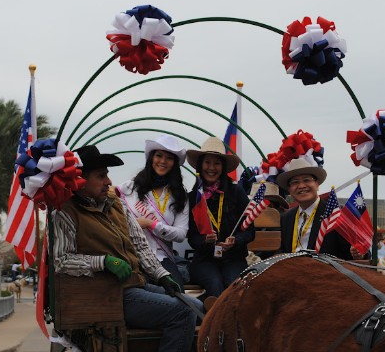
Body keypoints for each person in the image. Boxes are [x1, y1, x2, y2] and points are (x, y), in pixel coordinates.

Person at [52, 145, 202, 352]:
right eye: (101, 176)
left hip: (132, 283)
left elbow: (140, 246)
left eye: (107, 175)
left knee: (198, 307)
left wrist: (161, 275)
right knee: (183, 313)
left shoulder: (117, 205)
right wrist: (103, 262)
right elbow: (62, 260)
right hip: (105, 293)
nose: (109, 182)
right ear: (81, 181)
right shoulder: (65, 213)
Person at [116, 135, 189, 291]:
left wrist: (151, 224)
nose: (163, 161)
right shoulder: (130, 188)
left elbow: (181, 234)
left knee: (178, 295)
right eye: (159, 155)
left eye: (169, 158)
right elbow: (107, 197)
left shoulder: (180, 195)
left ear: (175, 163)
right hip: (132, 256)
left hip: (163, 259)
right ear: (151, 158)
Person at [186, 137, 255, 297]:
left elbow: (250, 231)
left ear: (223, 167)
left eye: (216, 163)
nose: (211, 168)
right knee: (215, 283)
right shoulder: (194, 197)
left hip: (234, 259)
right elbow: (191, 237)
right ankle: (214, 321)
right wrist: (205, 241)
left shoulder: (237, 192)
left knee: (233, 284)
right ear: (200, 165)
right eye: (207, 162)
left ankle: (216, 319)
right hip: (204, 260)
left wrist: (235, 240)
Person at [276, 157, 357, 259]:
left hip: (325, 272)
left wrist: (358, 253)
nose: (301, 186)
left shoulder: (335, 214)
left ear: (317, 184)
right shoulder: (286, 218)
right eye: (295, 182)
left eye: (306, 180)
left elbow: (352, 253)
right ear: (289, 189)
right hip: (291, 271)